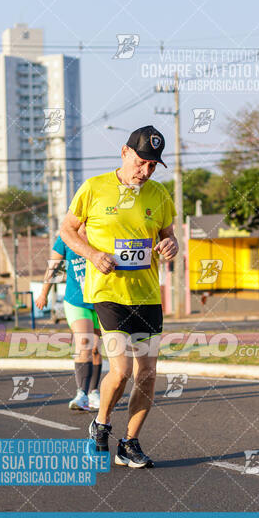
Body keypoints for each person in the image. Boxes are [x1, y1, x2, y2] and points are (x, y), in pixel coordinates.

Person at [60, 125, 178, 468]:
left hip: (147, 295)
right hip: (107, 292)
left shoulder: (158, 194)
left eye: (153, 166)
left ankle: (129, 443)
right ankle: (101, 422)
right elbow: (67, 230)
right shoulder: (94, 188)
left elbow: (168, 235)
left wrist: (171, 244)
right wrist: (94, 255)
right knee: (122, 368)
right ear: (124, 153)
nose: (146, 171)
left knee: (148, 374)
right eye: (141, 162)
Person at [36, 224, 102, 411]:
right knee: (84, 343)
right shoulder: (65, 238)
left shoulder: (101, 233)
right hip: (76, 301)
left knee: (96, 348)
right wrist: (44, 293)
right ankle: (81, 393)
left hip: (99, 300)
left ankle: (93, 392)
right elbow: (54, 267)